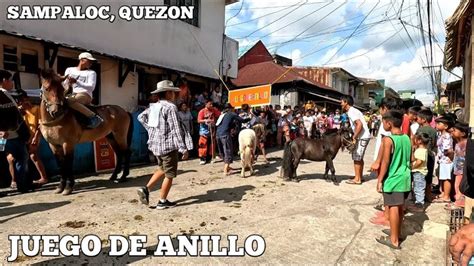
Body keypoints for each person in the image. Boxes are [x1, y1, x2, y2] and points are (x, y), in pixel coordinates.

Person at [136, 80, 193, 209]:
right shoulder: (170, 107)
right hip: (168, 146)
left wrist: (151, 129)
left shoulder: (154, 106)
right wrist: (183, 148)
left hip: (156, 146)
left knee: (162, 168)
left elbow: (140, 117)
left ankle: (146, 189)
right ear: (168, 93)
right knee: (170, 174)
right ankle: (162, 201)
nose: (174, 95)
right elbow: (175, 129)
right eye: (173, 92)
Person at [375, 110, 411, 249]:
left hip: (393, 179)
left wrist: (379, 180)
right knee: (400, 206)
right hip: (406, 177)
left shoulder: (388, 140)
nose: (382, 124)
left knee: (394, 208)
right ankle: (397, 232)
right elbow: (410, 158)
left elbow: (384, 163)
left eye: (383, 122)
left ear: (388, 123)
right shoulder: (407, 138)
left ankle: (394, 240)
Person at [0, 70, 31, 192]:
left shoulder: (7, 94)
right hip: (4, 136)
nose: (12, 83)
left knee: (21, 158)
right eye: (11, 80)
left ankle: (22, 185)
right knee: (4, 160)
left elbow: (8, 113)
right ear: (4, 81)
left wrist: (20, 110)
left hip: (16, 134)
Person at [63, 52, 103, 129]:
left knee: (69, 101)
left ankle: (94, 117)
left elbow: (91, 87)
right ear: (82, 60)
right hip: (73, 94)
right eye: (89, 60)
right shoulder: (69, 70)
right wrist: (67, 82)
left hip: (85, 95)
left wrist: (76, 81)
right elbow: (64, 84)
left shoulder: (91, 73)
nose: (91, 63)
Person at [17, 92, 48, 186]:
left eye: (24, 100)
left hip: (35, 135)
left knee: (33, 155)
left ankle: (44, 177)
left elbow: (40, 123)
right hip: (24, 137)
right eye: (21, 101)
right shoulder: (21, 112)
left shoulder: (36, 109)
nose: (23, 102)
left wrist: (36, 136)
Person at [341, 95, 371, 185]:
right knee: (359, 158)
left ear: (346, 102)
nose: (341, 103)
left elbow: (359, 124)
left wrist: (354, 136)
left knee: (356, 157)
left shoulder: (351, 111)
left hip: (362, 137)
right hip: (364, 136)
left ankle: (357, 179)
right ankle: (359, 176)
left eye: (342, 102)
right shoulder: (354, 111)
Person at [216, 103, 247, 175]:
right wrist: (250, 118)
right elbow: (242, 120)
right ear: (230, 109)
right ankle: (225, 169)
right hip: (225, 134)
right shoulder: (231, 114)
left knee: (223, 152)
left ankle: (227, 166)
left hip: (218, 135)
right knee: (228, 151)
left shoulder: (222, 115)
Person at [416, 109, 437, 203]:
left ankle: (419, 197)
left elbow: (416, 141)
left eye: (418, 118)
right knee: (428, 177)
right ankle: (428, 196)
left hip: (421, 154)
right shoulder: (433, 130)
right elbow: (434, 143)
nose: (417, 119)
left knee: (419, 176)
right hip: (430, 154)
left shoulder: (420, 130)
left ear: (423, 119)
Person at [433, 116, 454, 203]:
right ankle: (444, 193)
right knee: (442, 177)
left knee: (446, 178)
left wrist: (446, 155)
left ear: (445, 126)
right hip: (442, 159)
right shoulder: (441, 135)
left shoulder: (446, 136)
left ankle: (446, 196)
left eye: (439, 123)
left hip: (446, 159)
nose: (437, 125)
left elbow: (447, 149)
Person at [408, 132, 430, 213]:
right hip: (418, 172)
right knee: (417, 188)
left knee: (419, 189)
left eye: (416, 139)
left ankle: (420, 205)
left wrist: (412, 167)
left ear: (419, 141)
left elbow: (419, 161)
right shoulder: (420, 149)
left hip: (419, 172)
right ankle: (417, 203)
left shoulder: (421, 150)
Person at [450, 122, 469, 209]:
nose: (452, 132)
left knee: (459, 186)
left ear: (463, 133)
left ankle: (460, 203)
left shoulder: (465, 144)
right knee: (456, 186)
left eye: (455, 130)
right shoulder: (458, 143)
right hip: (457, 170)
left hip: (462, 171)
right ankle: (458, 201)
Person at [197, 100, 220, 165]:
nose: (211, 105)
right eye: (210, 104)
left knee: (211, 145)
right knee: (203, 144)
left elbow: (219, 114)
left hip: (212, 130)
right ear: (206, 104)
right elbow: (199, 120)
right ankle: (202, 158)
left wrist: (216, 110)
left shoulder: (213, 110)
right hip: (204, 131)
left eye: (212, 104)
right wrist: (205, 120)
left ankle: (210, 158)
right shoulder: (202, 111)